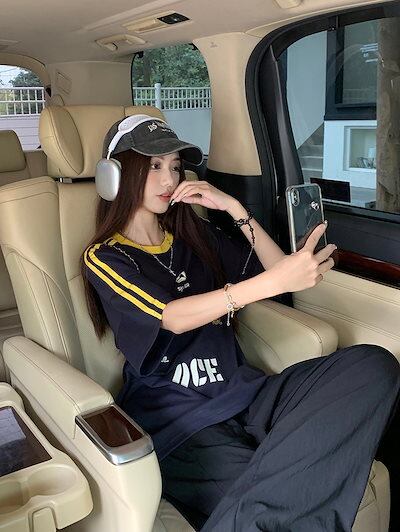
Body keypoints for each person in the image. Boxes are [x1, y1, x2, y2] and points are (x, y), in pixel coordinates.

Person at [82, 114, 400, 532]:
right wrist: (268, 284)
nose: (169, 178)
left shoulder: (194, 235)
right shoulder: (105, 257)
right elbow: (171, 317)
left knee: (373, 365)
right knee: (277, 501)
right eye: (154, 165)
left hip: (247, 393)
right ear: (115, 175)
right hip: (181, 421)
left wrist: (233, 208)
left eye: (175, 166)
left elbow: (277, 268)